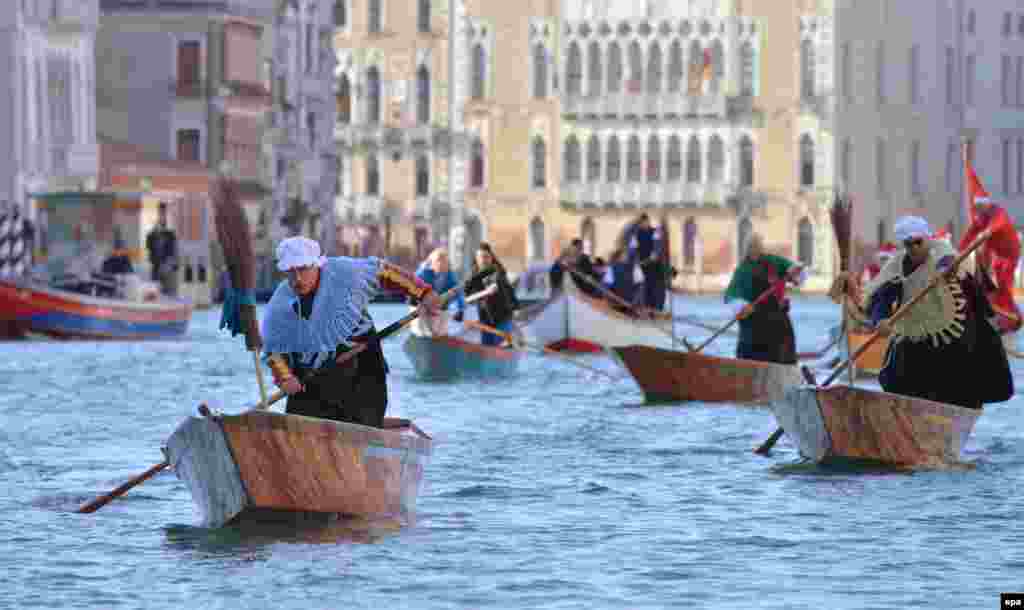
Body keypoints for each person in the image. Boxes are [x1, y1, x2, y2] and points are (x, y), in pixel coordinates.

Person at [831, 215, 1012, 409]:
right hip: (912, 330)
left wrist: (946, 270)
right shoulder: (896, 266)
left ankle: (958, 408)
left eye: (918, 242)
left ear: (927, 239)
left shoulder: (942, 250)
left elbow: (952, 265)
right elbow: (881, 298)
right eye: (908, 244)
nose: (914, 248)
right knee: (899, 371)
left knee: (962, 366)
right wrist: (880, 321)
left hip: (950, 330)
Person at [262, 236, 442, 426]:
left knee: (363, 419)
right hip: (311, 376)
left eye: (303, 269)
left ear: (317, 264)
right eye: (290, 272)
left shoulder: (347, 272)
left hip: (361, 363)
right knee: (298, 424)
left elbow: (385, 273)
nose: (297, 278)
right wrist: (285, 377)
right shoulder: (279, 306)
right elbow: (273, 351)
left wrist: (424, 293)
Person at [723, 234, 806, 364]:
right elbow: (730, 295)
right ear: (747, 249)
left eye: (757, 246)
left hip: (778, 321)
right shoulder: (742, 270)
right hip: (753, 322)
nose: (755, 250)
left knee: (783, 355)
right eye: (752, 247)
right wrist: (740, 306)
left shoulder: (774, 261)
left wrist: (795, 272)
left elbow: (793, 270)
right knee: (753, 356)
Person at [959, 194, 1022, 334]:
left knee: (1005, 285)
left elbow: (998, 223)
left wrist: (987, 231)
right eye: (977, 209)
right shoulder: (981, 218)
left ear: (987, 205)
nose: (978, 211)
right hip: (997, 255)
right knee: (998, 286)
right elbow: (970, 234)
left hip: (1010, 255)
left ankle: (1009, 319)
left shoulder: (999, 213)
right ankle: (1005, 314)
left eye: (980, 208)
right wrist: (958, 251)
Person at [464, 242, 518, 347]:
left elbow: (509, 292)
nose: (484, 260)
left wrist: (516, 310)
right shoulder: (472, 278)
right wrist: (485, 292)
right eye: (481, 257)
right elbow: (466, 299)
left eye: (487, 257)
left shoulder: (498, 272)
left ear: (491, 258)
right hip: (485, 323)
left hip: (503, 320)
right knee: (487, 353)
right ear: (476, 259)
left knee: (504, 350)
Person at [412, 247, 465, 336]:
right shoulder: (423, 273)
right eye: (438, 261)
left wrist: (461, 310)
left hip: (439, 304)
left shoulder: (450, 276)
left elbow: (458, 293)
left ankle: (440, 336)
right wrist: (420, 303)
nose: (441, 264)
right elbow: (413, 288)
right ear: (432, 263)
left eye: (444, 262)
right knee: (423, 326)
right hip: (422, 304)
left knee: (441, 326)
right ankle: (421, 334)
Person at [146, 202, 178, 295]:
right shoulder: (152, 234)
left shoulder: (170, 234)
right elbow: (149, 247)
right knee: (155, 292)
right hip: (156, 268)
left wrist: (169, 265)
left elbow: (173, 252)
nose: (162, 216)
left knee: (168, 292)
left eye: (163, 213)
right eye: (160, 213)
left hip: (167, 269)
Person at [601, 247, 638, 315]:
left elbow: (638, 286)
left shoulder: (631, 268)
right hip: (617, 305)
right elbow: (605, 288)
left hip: (628, 305)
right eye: (624, 256)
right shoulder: (612, 268)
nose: (626, 257)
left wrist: (635, 301)